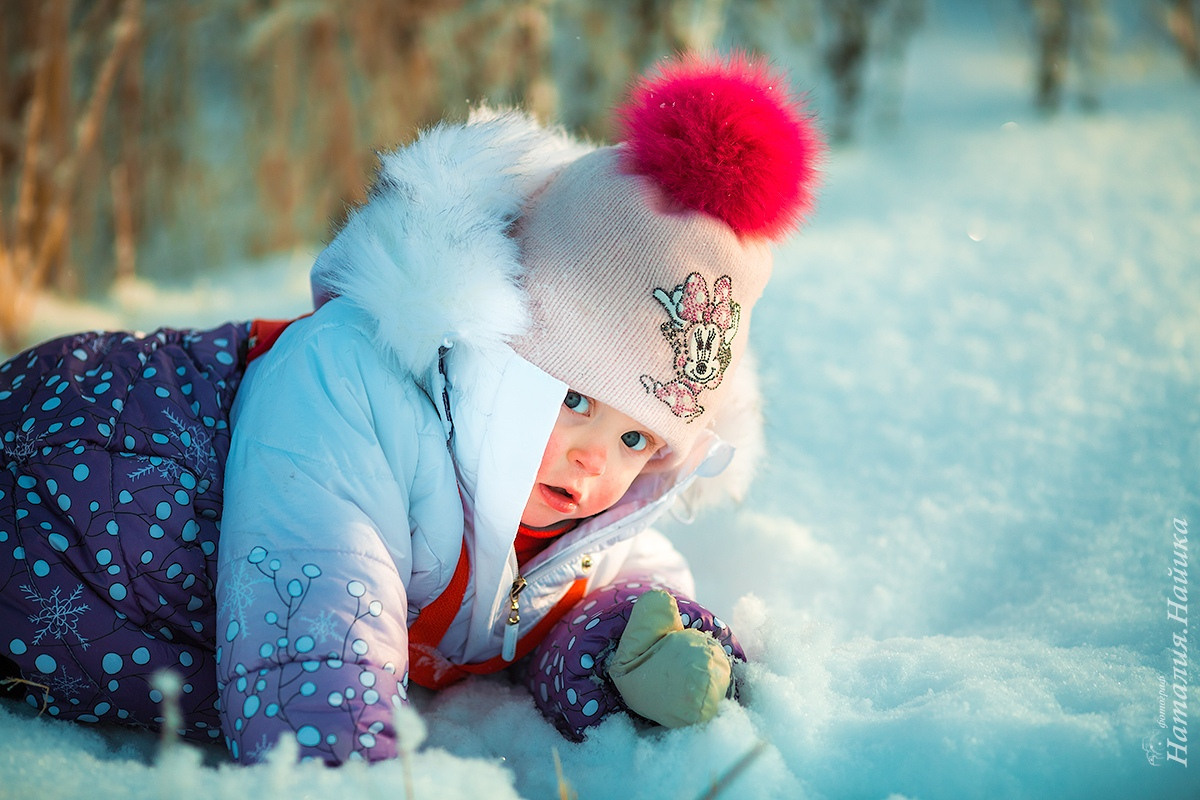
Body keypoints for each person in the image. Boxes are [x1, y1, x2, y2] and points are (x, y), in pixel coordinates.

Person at [0, 53, 822, 764]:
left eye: (638, 436)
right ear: (502, 351)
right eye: (573, 400)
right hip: (75, 482)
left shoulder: (584, 517)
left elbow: (607, 586)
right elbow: (314, 614)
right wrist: (344, 770)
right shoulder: (356, 388)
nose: (594, 459)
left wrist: (637, 651)